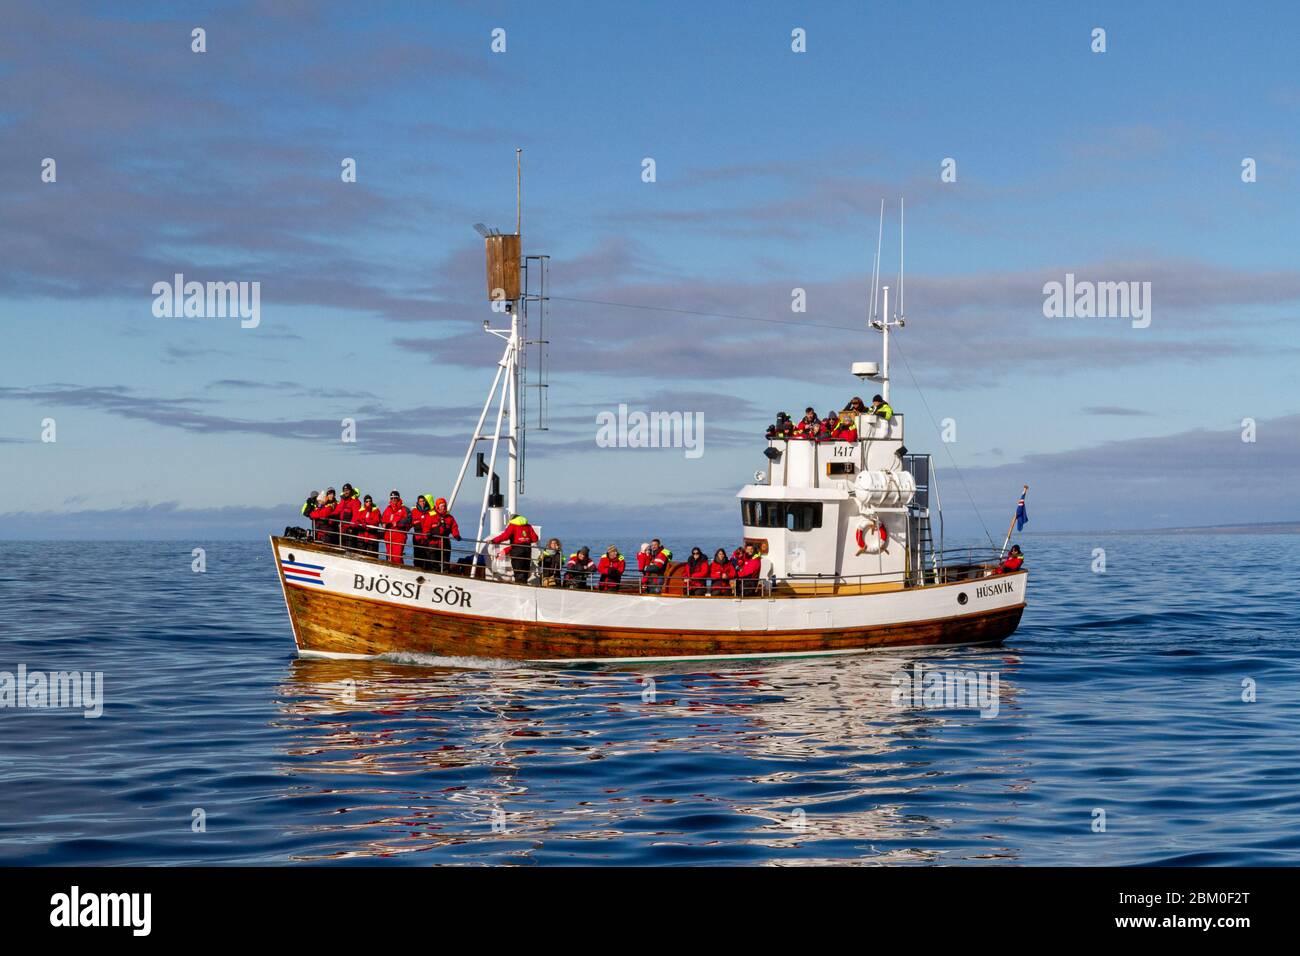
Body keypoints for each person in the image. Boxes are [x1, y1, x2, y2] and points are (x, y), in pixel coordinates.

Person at [491, 513, 539, 583]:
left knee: (518, 568)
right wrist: (526, 539)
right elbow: (535, 538)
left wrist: (494, 540)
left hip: (517, 549)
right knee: (525, 569)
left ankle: (519, 585)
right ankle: (524, 583)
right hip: (527, 549)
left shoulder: (513, 525)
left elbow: (505, 536)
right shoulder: (528, 526)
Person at [427, 498, 461, 572]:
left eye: (444, 505)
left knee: (445, 563)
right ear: (437, 506)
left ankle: (445, 572)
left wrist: (456, 535)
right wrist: (427, 533)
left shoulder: (449, 517)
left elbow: (454, 527)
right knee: (434, 562)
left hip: (445, 542)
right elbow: (426, 527)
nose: (443, 507)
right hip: (434, 542)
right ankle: (435, 572)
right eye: (441, 506)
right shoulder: (431, 516)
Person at [381, 491, 411, 564]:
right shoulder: (387, 509)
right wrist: (383, 524)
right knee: (389, 557)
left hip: (399, 536)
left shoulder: (404, 509)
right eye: (392, 498)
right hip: (388, 535)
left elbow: (409, 520)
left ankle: (400, 571)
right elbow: (382, 519)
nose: (393, 499)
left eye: (395, 498)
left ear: (398, 498)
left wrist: (397, 523)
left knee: (397, 558)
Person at [409, 494, 434, 569]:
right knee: (417, 556)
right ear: (418, 502)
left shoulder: (430, 512)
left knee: (427, 557)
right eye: (420, 501)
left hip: (427, 539)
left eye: (423, 501)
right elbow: (409, 523)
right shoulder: (414, 511)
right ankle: (417, 569)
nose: (422, 503)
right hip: (417, 538)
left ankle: (427, 570)